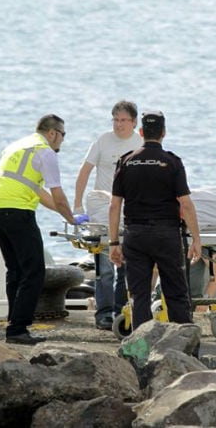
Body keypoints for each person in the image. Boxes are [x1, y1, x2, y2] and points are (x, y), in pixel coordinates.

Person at [0, 114, 84, 345]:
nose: (62, 141)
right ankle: (18, 328)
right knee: (34, 271)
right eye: (63, 135)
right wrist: (72, 219)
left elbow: (39, 194)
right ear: (52, 133)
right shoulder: (45, 152)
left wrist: (66, 215)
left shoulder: (17, 146)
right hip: (16, 211)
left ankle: (14, 324)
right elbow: (58, 196)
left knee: (16, 270)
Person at [108, 111, 201, 330]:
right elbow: (185, 204)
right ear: (163, 133)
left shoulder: (126, 161)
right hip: (167, 234)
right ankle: (185, 347)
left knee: (139, 295)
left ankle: (141, 351)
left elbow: (114, 205)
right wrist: (196, 239)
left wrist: (114, 242)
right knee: (177, 293)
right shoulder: (172, 162)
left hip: (136, 234)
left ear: (141, 132)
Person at [73, 100, 142, 330]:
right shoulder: (103, 140)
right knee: (104, 268)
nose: (119, 125)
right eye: (115, 120)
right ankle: (103, 314)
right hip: (103, 210)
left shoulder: (139, 144)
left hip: (128, 211)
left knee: (125, 266)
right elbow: (84, 172)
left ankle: (121, 311)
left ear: (134, 122)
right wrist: (77, 206)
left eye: (124, 121)